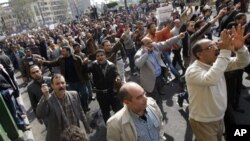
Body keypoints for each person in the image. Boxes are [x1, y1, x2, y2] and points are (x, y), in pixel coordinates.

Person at [185, 25, 250, 141]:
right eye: (211, 47)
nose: (216, 48)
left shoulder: (217, 64)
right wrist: (225, 51)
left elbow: (242, 62)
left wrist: (240, 49)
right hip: (203, 121)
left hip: (219, 118)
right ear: (199, 54)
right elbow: (211, 79)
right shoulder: (192, 71)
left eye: (215, 44)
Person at [36, 74, 91, 141]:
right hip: (59, 137)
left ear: (66, 84)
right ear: (52, 86)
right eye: (57, 84)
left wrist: (86, 126)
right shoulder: (48, 99)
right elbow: (40, 114)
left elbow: (81, 111)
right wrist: (45, 96)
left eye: (62, 83)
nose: (61, 86)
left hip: (75, 135)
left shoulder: (74, 94)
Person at [85, 49, 123, 123]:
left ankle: (121, 124)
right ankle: (109, 126)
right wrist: (84, 64)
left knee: (118, 109)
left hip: (111, 92)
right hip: (100, 94)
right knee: (105, 112)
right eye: (98, 56)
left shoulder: (111, 65)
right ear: (96, 57)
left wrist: (118, 78)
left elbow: (116, 74)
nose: (100, 57)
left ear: (105, 56)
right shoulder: (94, 65)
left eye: (102, 55)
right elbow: (86, 70)